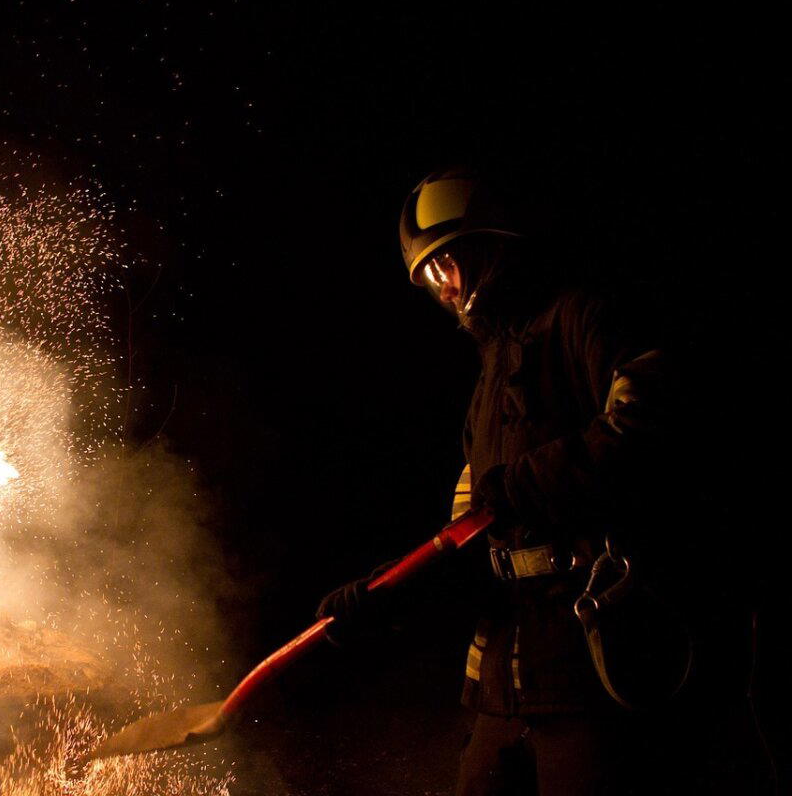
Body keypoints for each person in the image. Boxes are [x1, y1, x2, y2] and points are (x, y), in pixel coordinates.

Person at [316, 168, 765, 794]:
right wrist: (387, 594)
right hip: (505, 684)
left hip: (593, 675)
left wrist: (526, 484)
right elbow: (469, 530)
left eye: (448, 261)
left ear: (491, 243)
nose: (443, 285)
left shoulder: (587, 315)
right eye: (428, 276)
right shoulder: (488, 377)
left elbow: (650, 426)